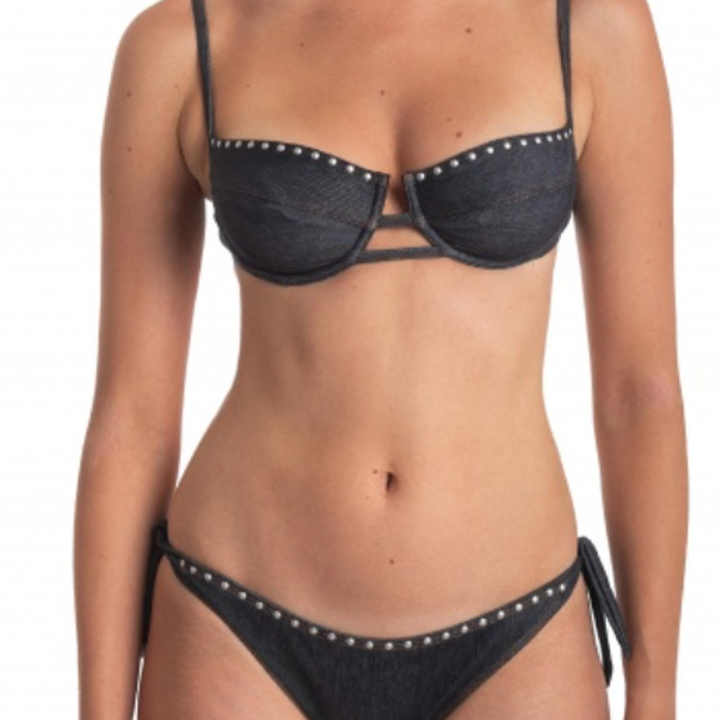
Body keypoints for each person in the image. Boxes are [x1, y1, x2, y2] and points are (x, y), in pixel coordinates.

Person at [74, 0, 687, 718]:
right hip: (236, 620)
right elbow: (132, 416)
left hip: (517, 633)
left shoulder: (589, 24)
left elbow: (639, 393)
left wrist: (655, 691)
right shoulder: (183, 42)